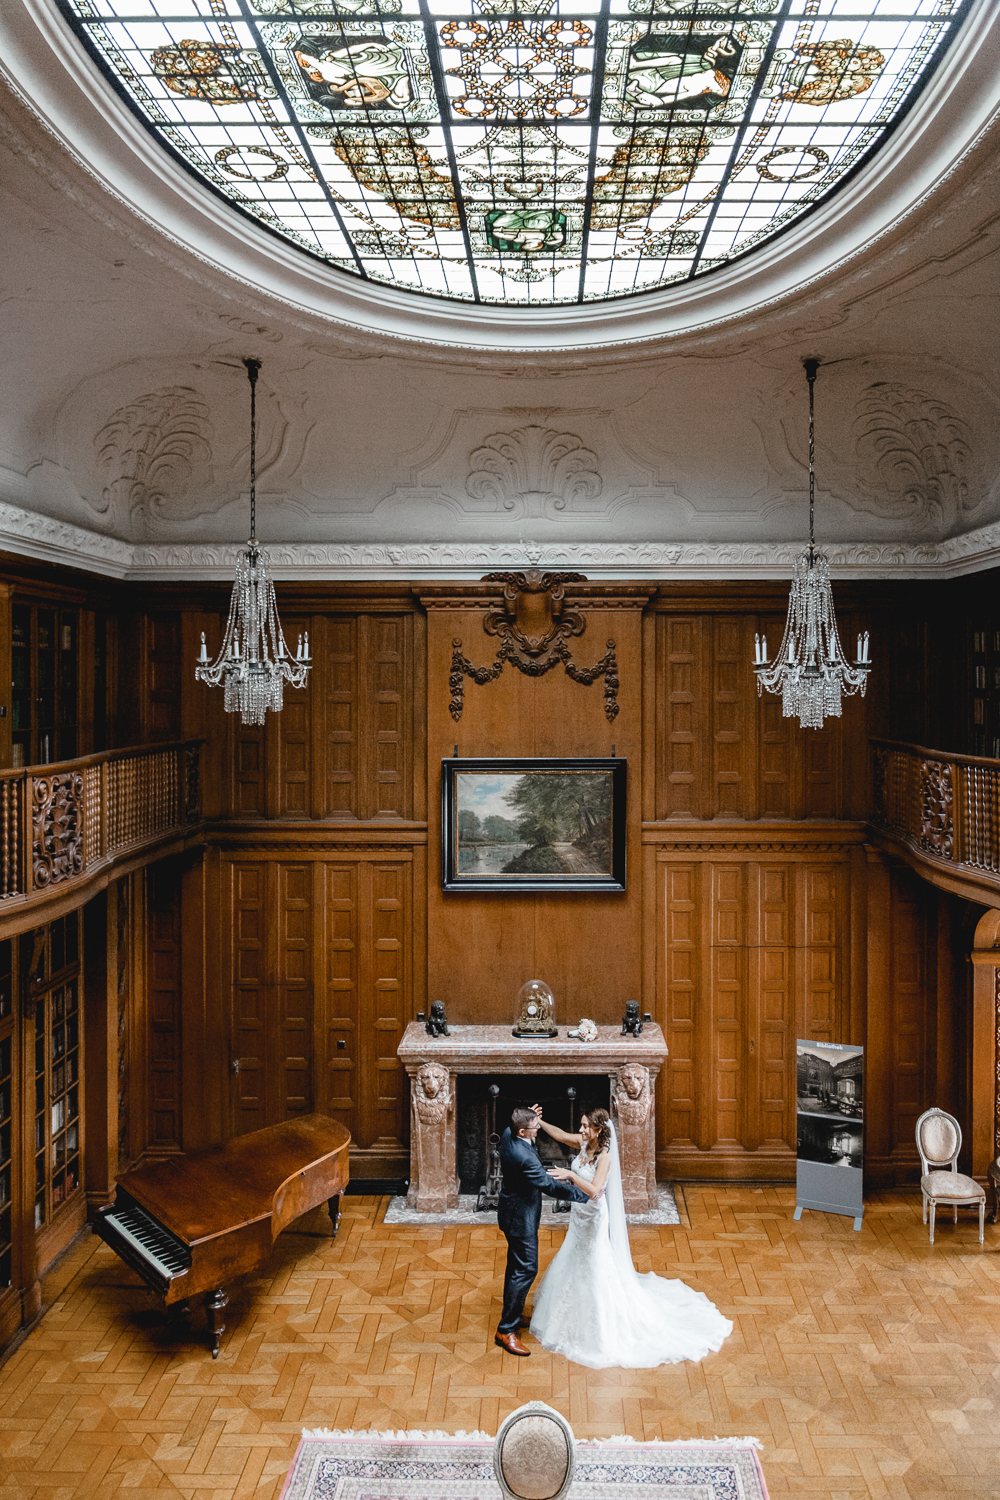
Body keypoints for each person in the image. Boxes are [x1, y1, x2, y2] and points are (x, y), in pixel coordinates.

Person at [529, 1106, 733, 1368]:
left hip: (593, 1217)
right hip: (578, 1217)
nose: (580, 1130)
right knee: (573, 1256)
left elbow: (593, 1190)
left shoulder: (605, 1157)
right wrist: (540, 1122)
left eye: (585, 1126)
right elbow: (559, 1135)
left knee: (593, 1263)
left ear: (599, 1130)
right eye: (580, 1126)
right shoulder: (583, 1143)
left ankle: (600, 1324)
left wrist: (570, 1175)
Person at [495, 1106, 588, 1356]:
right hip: (519, 1218)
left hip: (511, 1210)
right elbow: (549, 1186)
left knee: (516, 1267)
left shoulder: (508, 1132)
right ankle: (506, 1330)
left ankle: (512, 1315)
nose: (540, 1129)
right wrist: (584, 1194)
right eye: (536, 1127)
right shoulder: (523, 1157)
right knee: (526, 1267)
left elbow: (519, 1122)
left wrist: (529, 1114)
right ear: (523, 1131)